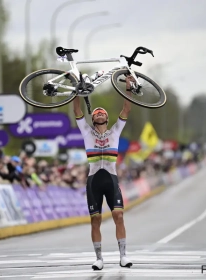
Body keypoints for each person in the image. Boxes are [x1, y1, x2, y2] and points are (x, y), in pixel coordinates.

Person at [73, 75, 134, 270]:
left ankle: (123, 256)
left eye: (102, 112)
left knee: (119, 216)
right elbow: (76, 110)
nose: (99, 114)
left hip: (111, 178)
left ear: (107, 118)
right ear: (93, 118)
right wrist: (76, 90)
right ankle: (99, 258)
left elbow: (126, 109)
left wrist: (129, 87)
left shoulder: (115, 131)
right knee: (95, 219)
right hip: (93, 181)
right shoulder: (86, 132)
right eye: (96, 112)